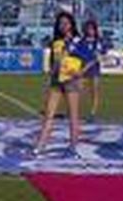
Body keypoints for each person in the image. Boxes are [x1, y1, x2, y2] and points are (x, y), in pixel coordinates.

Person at [34, 11, 88, 157]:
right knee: (48, 114)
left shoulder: (78, 41)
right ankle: (40, 145)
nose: (63, 26)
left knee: (73, 115)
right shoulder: (55, 42)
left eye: (66, 23)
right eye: (61, 23)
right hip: (56, 82)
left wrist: (80, 74)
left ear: (71, 24)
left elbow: (88, 59)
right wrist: (50, 77)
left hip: (71, 81)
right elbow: (53, 63)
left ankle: (73, 146)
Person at [80, 19, 108, 122]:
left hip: (94, 69)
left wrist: (98, 57)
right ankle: (77, 111)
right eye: (88, 29)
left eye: (92, 29)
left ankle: (93, 113)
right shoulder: (82, 41)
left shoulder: (98, 41)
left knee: (95, 91)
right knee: (79, 90)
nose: (90, 31)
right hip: (82, 69)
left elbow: (102, 54)